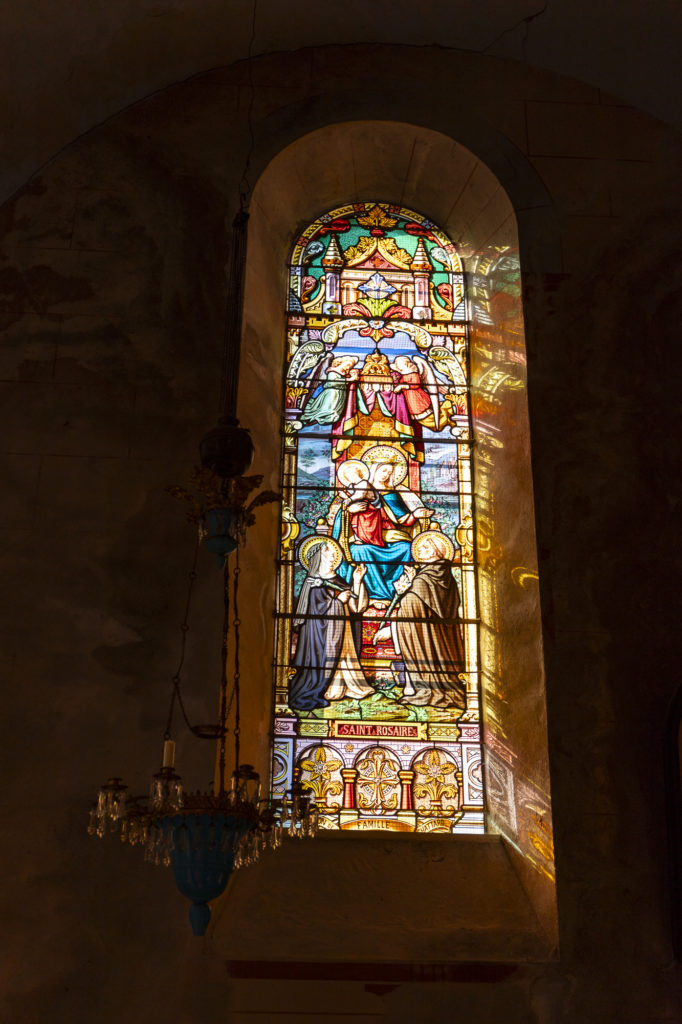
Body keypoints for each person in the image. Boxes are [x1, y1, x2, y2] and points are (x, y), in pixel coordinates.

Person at [373, 531, 466, 709]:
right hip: (441, 643)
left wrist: (391, 629)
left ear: (436, 552)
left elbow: (413, 610)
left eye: (425, 547)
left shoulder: (424, 580)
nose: (420, 550)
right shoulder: (443, 576)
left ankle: (429, 690)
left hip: (429, 642)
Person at [331, 448, 433, 602]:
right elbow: (342, 516)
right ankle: (367, 595)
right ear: (374, 470)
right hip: (364, 537)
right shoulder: (358, 489)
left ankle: (399, 591)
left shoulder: (392, 494)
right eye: (384, 470)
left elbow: (402, 520)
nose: (386, 474)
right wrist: (349, 509)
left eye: (390, 472)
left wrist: (415, 515)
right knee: (359, 551)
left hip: (389, 536)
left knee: (406, 547)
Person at [288, 537, 373, 711]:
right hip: (323, 638)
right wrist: (337, 603)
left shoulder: (337, 579)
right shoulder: (312, 583)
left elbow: (356, 607)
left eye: (334, 550)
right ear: (317, 556)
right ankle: (324, 687)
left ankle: (344, 686)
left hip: (344, 635)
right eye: (328, 550)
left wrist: (357, 581)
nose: (333, 553)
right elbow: (316, 613)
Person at [293, 356, 358, 430]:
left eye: (350, 366)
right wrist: (349, 379)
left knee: (333, 414)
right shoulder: (332, 372)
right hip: (330, 395)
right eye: (347, 364)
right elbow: (331, 383)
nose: (348, 367)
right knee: (326, 413)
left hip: (338, 397)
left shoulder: (342, 375)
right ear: (340, 362)